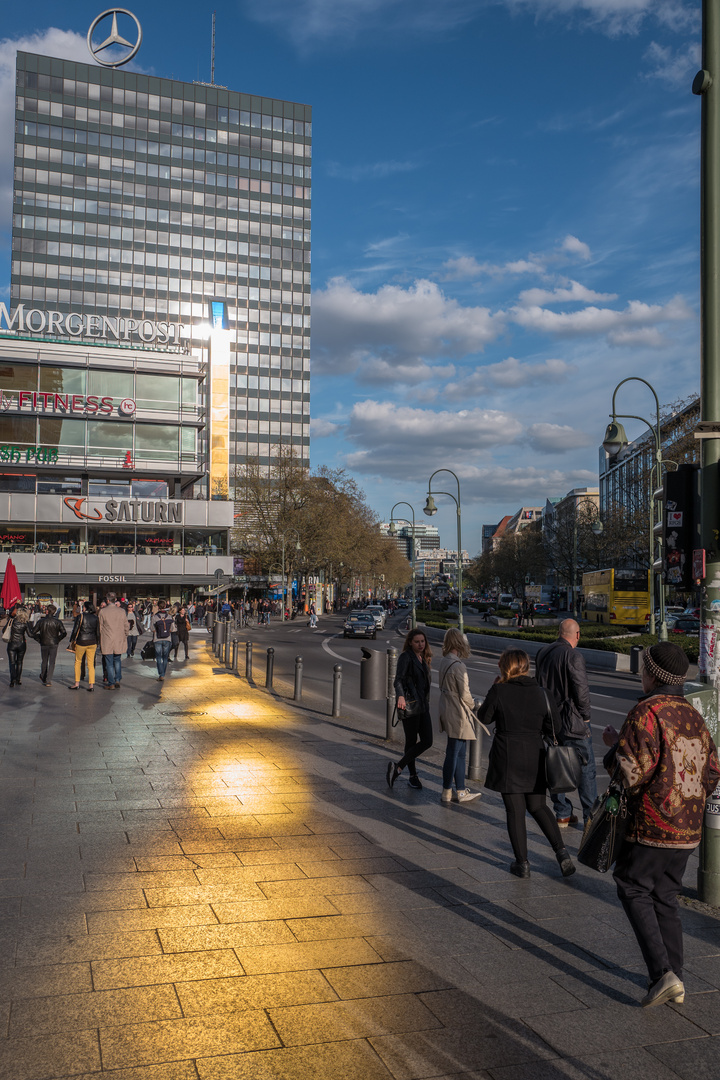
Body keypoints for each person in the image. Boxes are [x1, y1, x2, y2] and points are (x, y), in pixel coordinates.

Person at [603, 643, 720, 1008]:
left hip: (652, 825)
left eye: (644, 670)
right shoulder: (694, 715)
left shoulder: (647, 711)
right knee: (666, 896)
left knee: (632, 886)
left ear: (652, 675)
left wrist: (613, 747)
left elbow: (632, 772)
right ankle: (677, 978)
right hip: (688, 828)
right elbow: (713, 770)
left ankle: (662, 974)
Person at [478, 648, 576, 879]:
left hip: (507, 758)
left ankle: (522, 864)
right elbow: (555, 728)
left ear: (505, 667)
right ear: (525, 666)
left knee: (515, 811)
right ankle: (562, 854)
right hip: (535, 755)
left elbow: (484, 718)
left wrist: (495, 689)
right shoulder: (542, 693)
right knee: (539, 807)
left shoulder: (499, 689)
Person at [535, 618, 597, 826]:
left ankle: (562, 812)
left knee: (556, 765)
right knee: (586, 768)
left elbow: (539, 686)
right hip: (572, 723)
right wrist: (585, 716)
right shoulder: (573, 655)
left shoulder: (543, 652)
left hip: (550, 721)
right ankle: (590, 817)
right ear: (577, 635)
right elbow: (582, 691)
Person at [438, 627, 482, 804]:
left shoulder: (443, 661)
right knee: (455, 752)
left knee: (458, 751)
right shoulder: (458, 666)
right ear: (459, 642)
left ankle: (460, 790)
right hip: (458, 712)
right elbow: (465, 694)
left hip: (446, 709)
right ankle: (448, 791)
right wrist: (474, 705)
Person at [387, 628, 433, 790]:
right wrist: (400, 696)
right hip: (411, 705)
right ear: (410, 643)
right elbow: (397, 680)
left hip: (423, 706)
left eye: (422, 641)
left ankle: (398, 767)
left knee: (428, 741)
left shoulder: (423, 658)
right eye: (417, 642)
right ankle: (413, 776)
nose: (420, 644)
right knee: (411, 741)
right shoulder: (406, 657)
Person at [98, 592, 130, 690]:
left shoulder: (102, 611)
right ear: (115, 600)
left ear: (107, 600)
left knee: (109, 662)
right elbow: (126, 625)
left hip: (107, 639)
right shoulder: (121, 611)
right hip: (119, 639)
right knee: (117, 660)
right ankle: (117, 679)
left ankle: (111, 682)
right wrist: (126, 634)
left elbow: (100, 627)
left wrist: (101, 637)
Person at [30, 603, 67, 685]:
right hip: (54, 643)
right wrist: (58, 639)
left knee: (44, 660)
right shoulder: (57, 622)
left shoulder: (41, 621)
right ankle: (48, 679)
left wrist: (39, 639)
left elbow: (33, 632)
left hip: (44, 643)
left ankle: (43, 676)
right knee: (52, 661)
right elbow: (64, 633)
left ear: (47, 611)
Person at [69, 601, 100, 691]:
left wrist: (72, 640)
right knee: (91, 664)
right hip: (92, 641)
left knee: (78, 662)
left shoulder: (80, 616)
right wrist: (97, 642)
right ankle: (91, 685)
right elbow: (97, 631)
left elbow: (75, 630)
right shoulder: (95, 618)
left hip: (81, 641)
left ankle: (77, 683)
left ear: (85, 608)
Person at [2, 605, 33, 687]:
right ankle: (18, 680)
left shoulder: (11, 621)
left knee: (12, 663)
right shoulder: (25, 623)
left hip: (12, 644)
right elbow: (30, 634)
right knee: (19, 662)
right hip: (21, 644)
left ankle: (12, 680)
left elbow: (3, 630)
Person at [152, 600, 174, 681]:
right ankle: (163, 674)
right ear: (165, 606)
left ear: (158, 607)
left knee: (158, 657)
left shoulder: (155, 617)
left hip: (157, 639)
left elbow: (152, 628)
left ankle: (160, 674)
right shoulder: (169, 616)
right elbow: (172, 628)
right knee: (165, 657)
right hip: (167, 639)